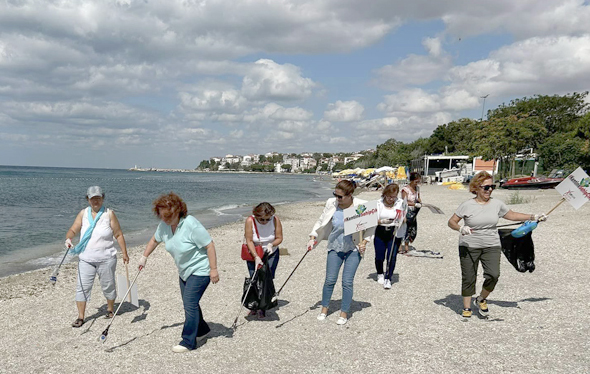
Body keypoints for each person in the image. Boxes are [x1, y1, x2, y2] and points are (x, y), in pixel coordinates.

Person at [448, 171, 547, 318]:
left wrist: (534, 216)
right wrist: (461, 228)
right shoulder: (466, 205)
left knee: (494, 274)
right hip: (469, 246)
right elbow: (451, 222)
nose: (490, 190)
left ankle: (481, 298)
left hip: (492, 245)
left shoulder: (497, 204)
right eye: (486, 187)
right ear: (476, 188)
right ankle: (467, 307)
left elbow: (512, 215)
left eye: (492, 187)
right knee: (469, 277)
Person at [138, 192, 219, 353]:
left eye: (168, 216)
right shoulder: (164, 226)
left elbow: (209, 245)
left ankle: (188, 341)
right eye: (162, 216)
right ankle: (202, 331)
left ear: (178, 211)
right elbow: (155, 240)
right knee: (191, 304)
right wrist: (144, 257)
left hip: (200, 270)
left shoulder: (190, 224)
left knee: (189, 304)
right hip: (184, 272)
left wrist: (214, 269)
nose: (165, 219)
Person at [307, 180, 375, 325]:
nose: (337, 199)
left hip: (353, 248)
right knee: (330, 280)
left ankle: (344, 312)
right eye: (335, 195)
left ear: (350, 195)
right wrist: (313, 236)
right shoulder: (332, 203)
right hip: (335, 246)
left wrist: (365, 242)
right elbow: (321, 221)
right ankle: (324, 309)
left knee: (347, 282)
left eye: (340, 197)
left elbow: (372, 226)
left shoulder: (361, 206)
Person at [65, 186, 129, 328]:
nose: (96, 201)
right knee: (82, 288)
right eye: (93, 198)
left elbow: (118, 234)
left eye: (98, 198)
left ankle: (110, 309)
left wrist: (124, 253)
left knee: (108, 285)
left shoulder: (109, 214)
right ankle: (81, 317)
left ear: (103, 198)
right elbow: (73, 229)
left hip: (106, 258)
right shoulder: (83, 213)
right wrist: (69, 239)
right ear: (88, 199)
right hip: (86, 259)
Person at [243, 202, 283, 318]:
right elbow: (249, 240)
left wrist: (271, 244)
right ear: (256, 216)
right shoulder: (250, 221)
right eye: (262, 220)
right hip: (254, 252)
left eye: (267, 219)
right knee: (254, 278)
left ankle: (263, 306)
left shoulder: (275, 220)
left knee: (266, 278)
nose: (265, 222)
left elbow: (279, 238)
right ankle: (253, 305)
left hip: (271, 253)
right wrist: (256, 256)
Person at [374, 184, 405, 289]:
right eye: (389, 196)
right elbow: (370, 219)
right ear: (385, 194)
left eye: (394, 196)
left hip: (394, 231)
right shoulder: (378, 203)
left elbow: (405, 218)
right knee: (379, 256)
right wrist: (381, 221)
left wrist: (402, 220)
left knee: (391, 256)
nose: (391, 199)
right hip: (380, 230)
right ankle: (380, 273)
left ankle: (388, 278)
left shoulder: (400, 203)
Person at [401, 172, 422, 254]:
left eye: (418, 181)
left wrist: (419, 202)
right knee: (404, 228)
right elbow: (404, 201)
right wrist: (414, 204)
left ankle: (407, 244)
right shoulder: (405, 189)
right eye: (416, 181)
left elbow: (419, 198)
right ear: (411, 180)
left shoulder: (417, 189)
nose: (417, 183)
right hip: (406, 210)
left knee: (412, 228)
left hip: (414, 211)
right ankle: (401, 246)